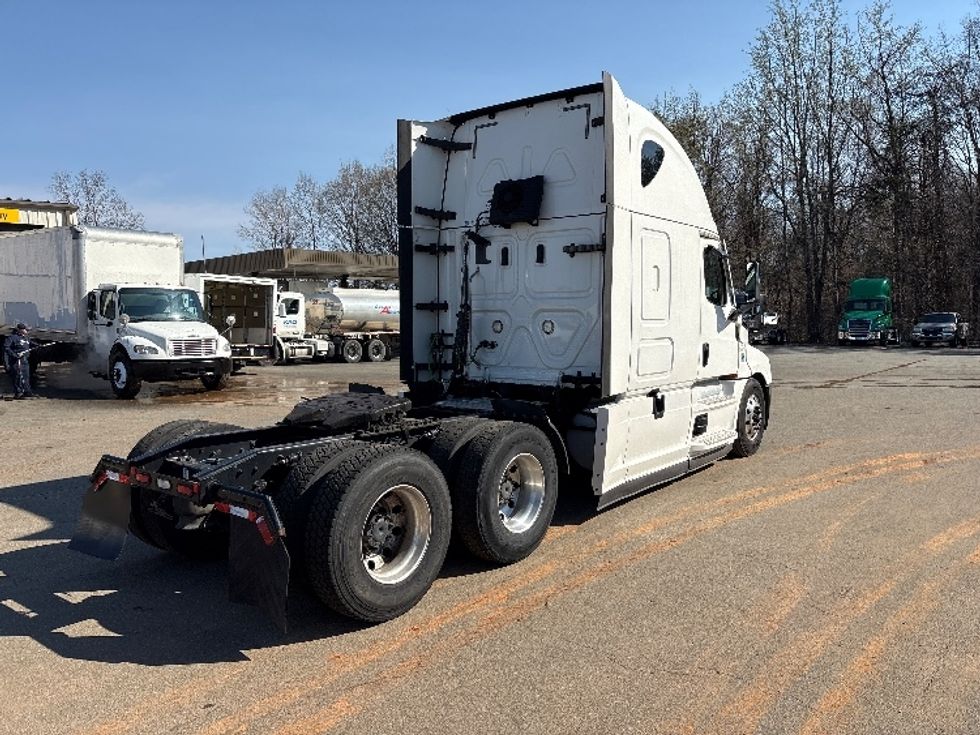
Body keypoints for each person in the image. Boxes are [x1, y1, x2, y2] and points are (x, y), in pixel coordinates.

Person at [4, 323, 34, 399]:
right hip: (17, 361)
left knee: (26, 376)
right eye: (25, 329)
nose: (27, 330)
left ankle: (27, 392)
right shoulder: (12, 338)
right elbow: (6, 348)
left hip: (25, 360)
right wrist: (15, 355)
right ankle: (19, 393)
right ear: (20, 330)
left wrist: (39, 345)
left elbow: (31, 343)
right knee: (18, 376)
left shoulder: (26, 338)